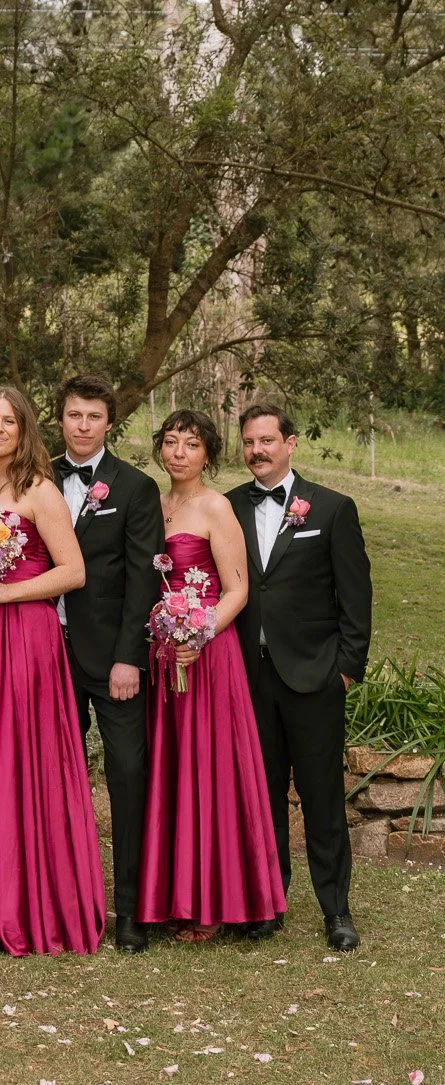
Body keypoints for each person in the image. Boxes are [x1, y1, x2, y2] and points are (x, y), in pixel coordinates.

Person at [0, 386, 105, 956]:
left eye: (8, 421)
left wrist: (7, 593)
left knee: (23, 757)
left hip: (27, 639)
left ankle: (35, 905)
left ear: (24, 428)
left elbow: (74, 571)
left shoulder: (39, 490)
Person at [228, 402, 372, 952]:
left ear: (291, 443)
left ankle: (336, 909)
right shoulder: (228, 507)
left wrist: (347, 670)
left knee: (321, 800)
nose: (256, 451)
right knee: (260, 797)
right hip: (250, 676)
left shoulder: (333, 509)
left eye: (266, 440)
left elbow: (355, 596)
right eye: (248, 442)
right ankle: (268, 905)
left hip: (315, 678)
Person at [137, 409, 284, 940]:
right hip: (164, 656)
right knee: (172, 769)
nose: (178, 453)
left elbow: (238, 590)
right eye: (170, 442)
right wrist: (165, 634)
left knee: (209, 769)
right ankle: (174, 895)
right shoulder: (153, 506)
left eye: (190, 445)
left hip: (207, 656)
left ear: (208, 455)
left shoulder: (216, 507)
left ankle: (214, 901)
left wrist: (196, 636)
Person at [52, 373, 166, 953]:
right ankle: (63, 904)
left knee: (127, 776)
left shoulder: (136, 488)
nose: (82, 425)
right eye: (74, 415)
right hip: (46, 659)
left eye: (93, 417)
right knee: (53, 781)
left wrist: (129, 658)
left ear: (109, 424)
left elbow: (144, 578)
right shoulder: (36, 477)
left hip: (112, 661)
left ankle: (130, 911)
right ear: (60, 418)